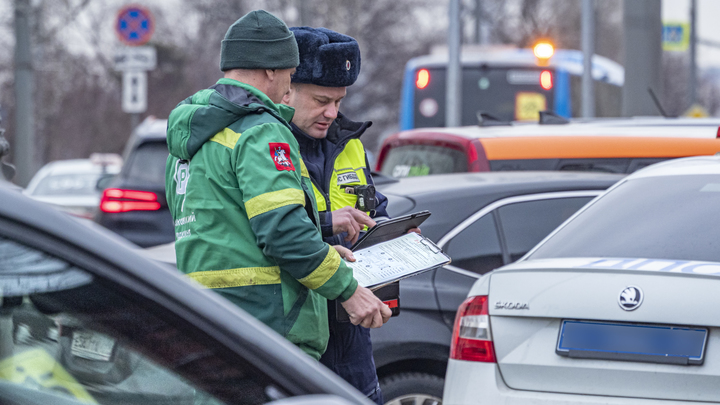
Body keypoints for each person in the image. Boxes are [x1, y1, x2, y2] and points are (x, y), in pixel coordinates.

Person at [164, 10, 391, 361]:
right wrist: (348, 290)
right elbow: (282, 230)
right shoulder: (260, 130)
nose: (287, 85)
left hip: (207, 321)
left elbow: (233, 230)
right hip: (269, 327)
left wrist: (325, 250)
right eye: (289, 72)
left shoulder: (191, 138)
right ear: (271, 70)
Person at [282, 26, 391, 404]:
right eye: (321, 100)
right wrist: (329, 223)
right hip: (296, 340)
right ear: (286, 88)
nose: (332, 112)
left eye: (339, 101)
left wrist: (395, 235)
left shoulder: (350, 144)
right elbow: (272, 229)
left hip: (353, 344)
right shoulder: (265, 147)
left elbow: (373, 206)